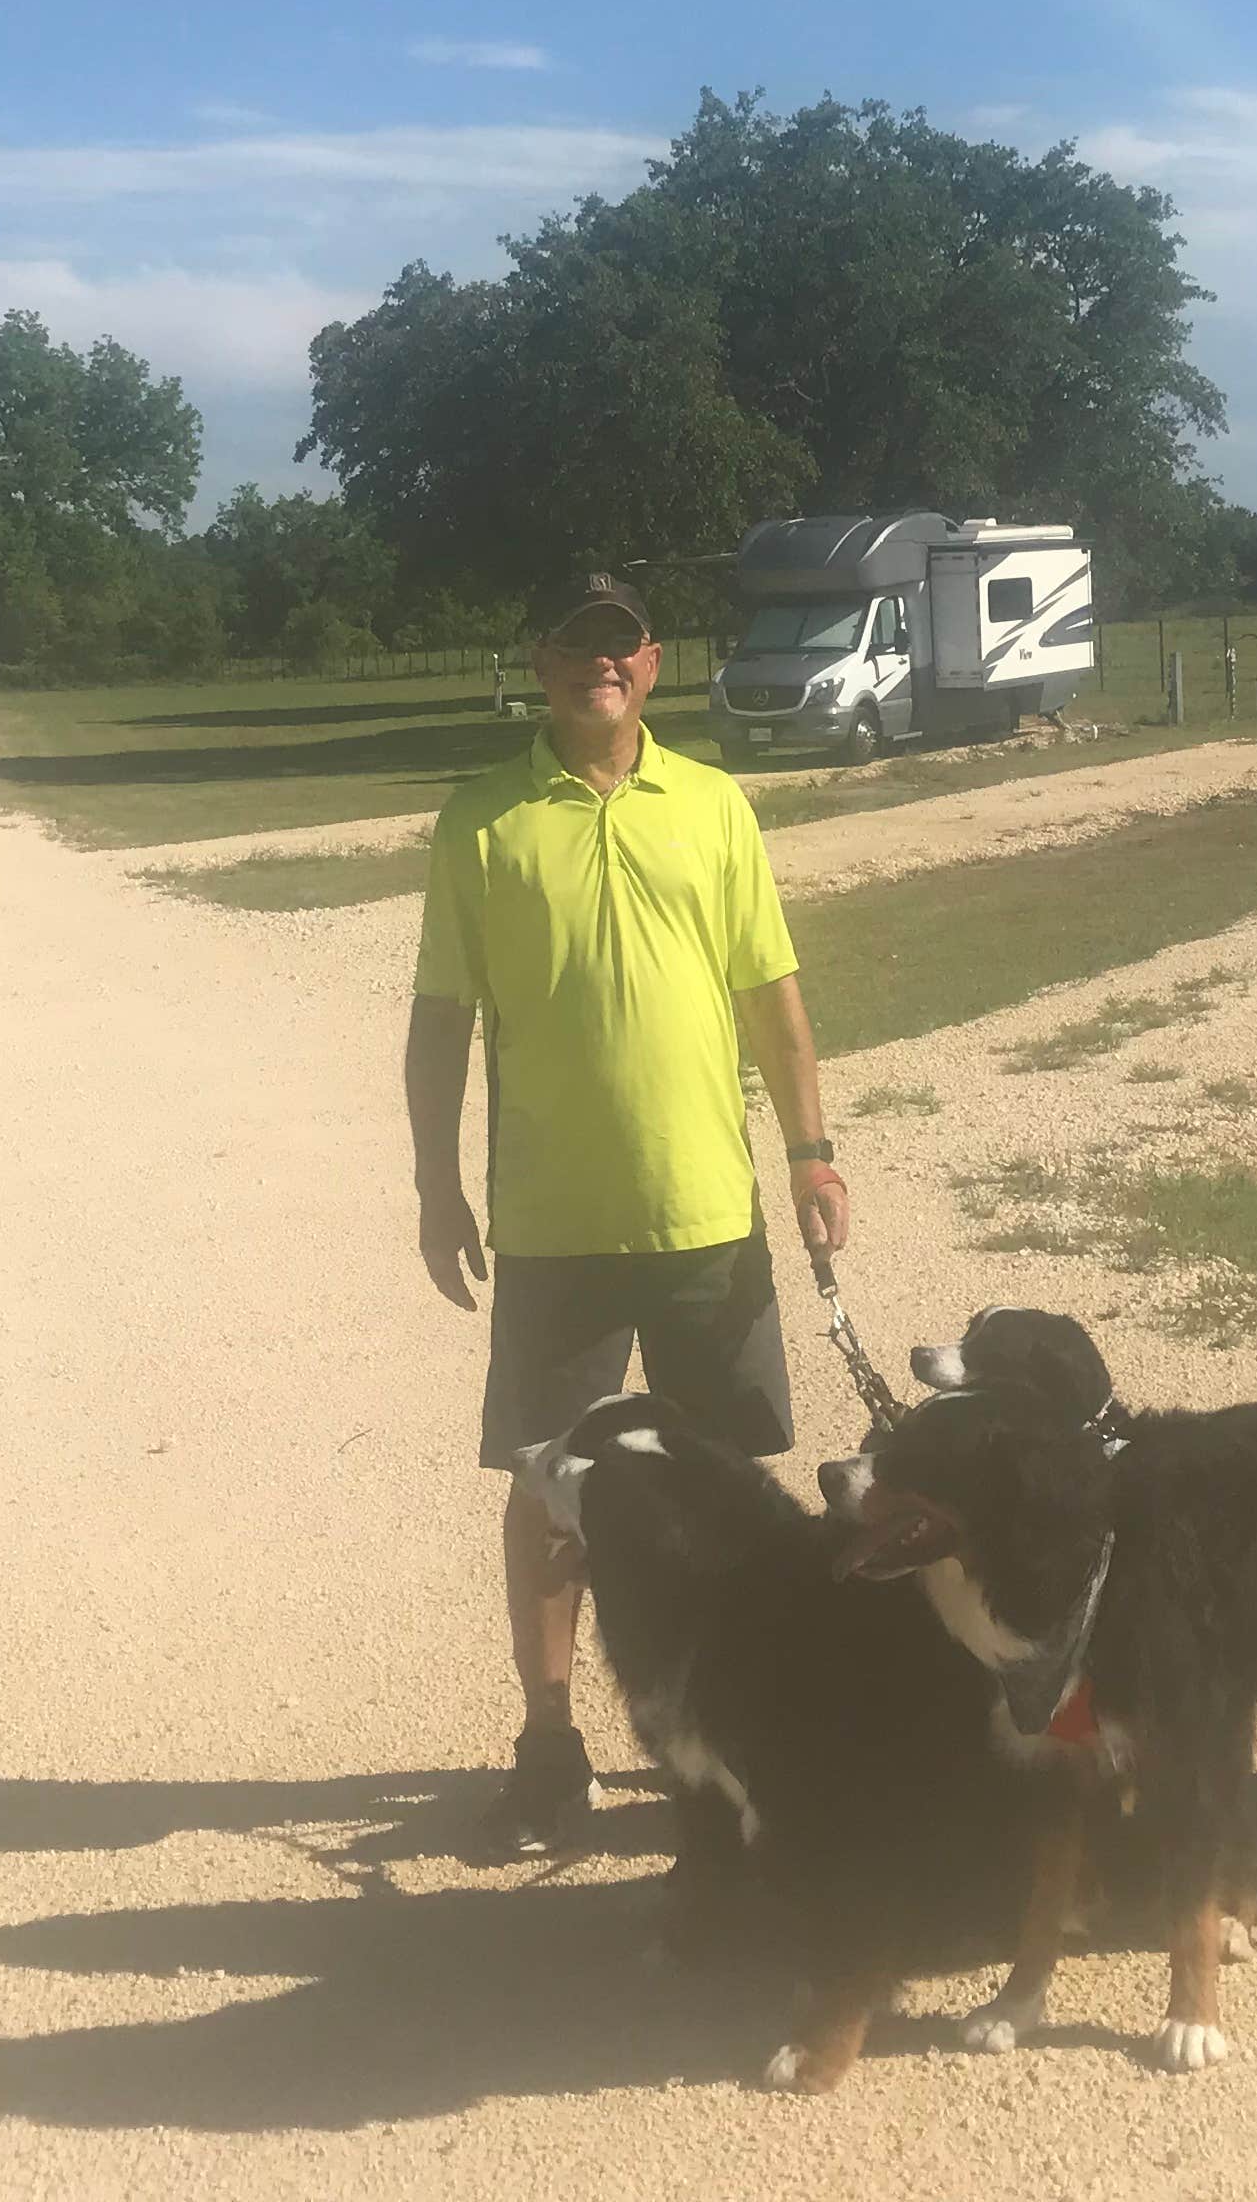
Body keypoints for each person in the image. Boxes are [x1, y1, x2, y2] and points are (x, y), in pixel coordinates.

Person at [404, 567, 850, 1856]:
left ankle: (743, 1734)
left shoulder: (713, 805)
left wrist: (811, 1153)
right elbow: (441, 1019)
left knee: (731, 1490)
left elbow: (771, 993)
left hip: (706, 1208)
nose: (601, 665)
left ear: (653, 665)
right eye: (577, 645)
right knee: (552, 1493)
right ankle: (551, 1748)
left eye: (623, 646)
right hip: (553, 1225)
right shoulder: (482, 820)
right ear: (542, 666)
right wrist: (436, 1182)